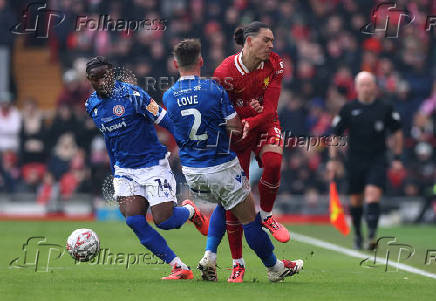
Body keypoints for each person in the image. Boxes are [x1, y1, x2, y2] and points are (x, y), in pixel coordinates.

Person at [163, 38, 303, 282]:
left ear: (175, 64)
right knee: (250, 218)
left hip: (192, 172)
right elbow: (235, 127)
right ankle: (275, 268)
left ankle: (210, 255)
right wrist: (251, 109)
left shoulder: (169, 96)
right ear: (201, 61)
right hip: (220, 167)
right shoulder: (214, 89)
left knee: (225, 204)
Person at [84, 56, 209, 280]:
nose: (101, 81)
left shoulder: (133, 95)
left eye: (104, 75)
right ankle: (178, 266)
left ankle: (190, 210)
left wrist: (188, 145)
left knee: (165, 221)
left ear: (112, 72)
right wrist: (116, 172)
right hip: (125, 171)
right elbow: (110, 139)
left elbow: (165, 119)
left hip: (153, 165)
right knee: (134, 220)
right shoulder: (91, 105)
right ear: (89, 80)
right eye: (95, 78)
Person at [210, 21, 290, 282]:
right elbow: (217, 112)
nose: (271, 45)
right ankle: (237, 263)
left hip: (263, 124)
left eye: (273, 41)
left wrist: (250, 121)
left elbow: (269, 109)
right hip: (236, 137)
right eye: (266, 40)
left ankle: (267, 215)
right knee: (237, 201)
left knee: (274, 162)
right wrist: (238, 122)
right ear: (249, 42)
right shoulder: (224, 73)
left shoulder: (276, 64)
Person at [328, 71, 403, 250]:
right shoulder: (348, 108)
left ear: (374, 86)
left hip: (377, 159)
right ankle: (358, 235)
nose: (366, 88)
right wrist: (333, 159)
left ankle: (371, 234)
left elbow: (397, 132)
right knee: (356, 201)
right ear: (357, 87)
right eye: (362, 85)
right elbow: (335, 135)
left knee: (372, 195)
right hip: (354, 160)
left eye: (369, 84)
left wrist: (398, 158)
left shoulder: (385, 108)